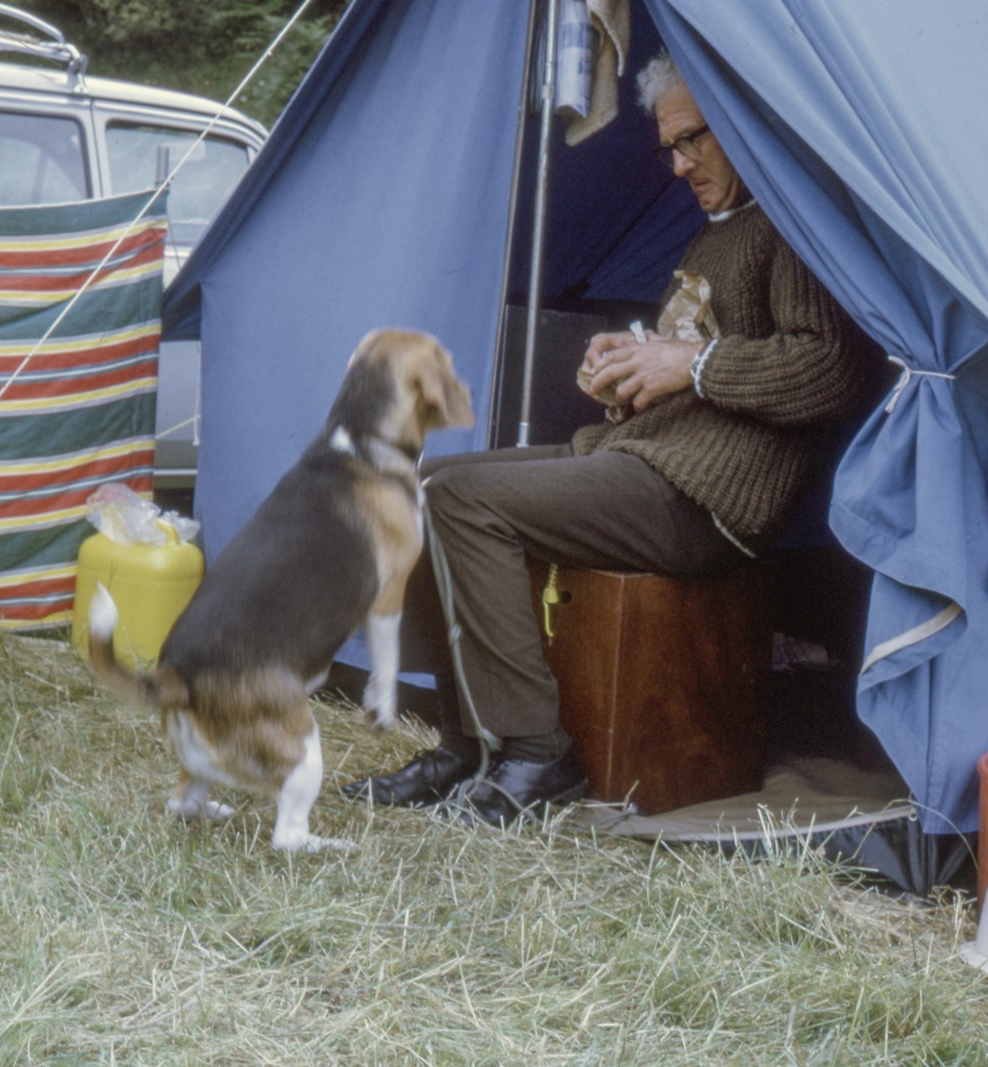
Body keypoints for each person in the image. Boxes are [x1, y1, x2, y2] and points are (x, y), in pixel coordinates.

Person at [343, 51, 882, 826]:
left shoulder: (789, 230)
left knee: (460, 498)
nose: (677, 164)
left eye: (693, 139)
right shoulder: (711, 238)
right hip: (645, 459)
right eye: (670, 146)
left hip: (705, 498)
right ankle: (467, 746)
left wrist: (687, 363)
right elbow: (684, 368)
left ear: (742, 128)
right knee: (425, 483)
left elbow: (831, 368)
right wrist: (626, 371)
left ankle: (536, 752)